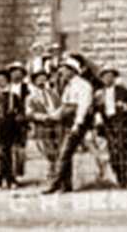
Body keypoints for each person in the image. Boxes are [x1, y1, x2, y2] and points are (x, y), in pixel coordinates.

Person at [43, 55, 94, 194]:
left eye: (64, 70)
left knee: (64, 153)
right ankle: (66, 185)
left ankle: (54, 184)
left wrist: (77, 124)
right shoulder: (69, 86)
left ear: (72, 70)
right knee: (64, 153)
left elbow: (83, 106)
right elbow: (64, 106)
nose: (62, 73)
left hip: (76, 122)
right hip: (65, 121)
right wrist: (53, 116)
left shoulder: (83, 85)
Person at [93, 65, 127, 187]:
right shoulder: (99, 94)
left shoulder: (122, 90)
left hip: (123, 123)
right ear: (102, 79)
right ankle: (119, 177)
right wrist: (97, 116)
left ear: (114, 77)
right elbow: (94, 108)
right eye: (105, 76)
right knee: (113, 152)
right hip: (108, 125)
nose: (108, 79)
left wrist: (126, 106)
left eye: (110, 76)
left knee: (125, 151)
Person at [0, 70, 21, 189]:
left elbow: (19, 111)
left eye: (4, 80)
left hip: (10, 126)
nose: (1, 82)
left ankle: (5, 178)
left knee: (9, 152)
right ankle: (4, 178)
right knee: (0, 152)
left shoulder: (13, 96)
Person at [26, 68, 62, 170]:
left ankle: (57, 171)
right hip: (42, 125)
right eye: (39, 79)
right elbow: (29, 113)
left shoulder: (54, 94)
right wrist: (43, 117)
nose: (42, 81)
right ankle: (51, 171)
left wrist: (57, 114)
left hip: (56, 123)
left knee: (58, 147)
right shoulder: (31, 97)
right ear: (34, 81)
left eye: (44, 79)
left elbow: (60, 106)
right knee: (47, 148)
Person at [6, 62, 30, 180]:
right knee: (7, 147)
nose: (16, 74)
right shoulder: (6, 87)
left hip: (21, 120)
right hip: (7, 120)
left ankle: (18, 172)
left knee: (20, 146)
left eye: (19, 71)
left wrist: (24, 115)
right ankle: (9, 173)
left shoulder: (27, 88)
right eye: (13, 71)